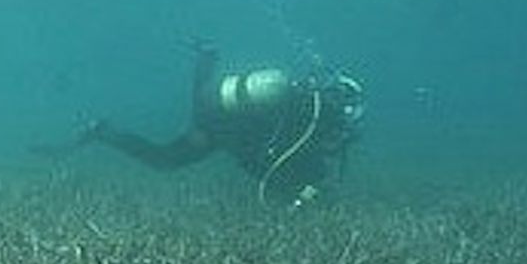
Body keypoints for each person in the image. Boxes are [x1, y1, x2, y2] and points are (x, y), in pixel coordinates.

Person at [45, 43, 364, 208]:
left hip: (216, 111)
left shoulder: (301, 98)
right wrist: (298, 189)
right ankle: (103, 132)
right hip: (219, 127)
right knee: (166, 160)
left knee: (181, 138)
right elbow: (268, 159)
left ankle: (206, 59)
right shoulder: (310, 118)